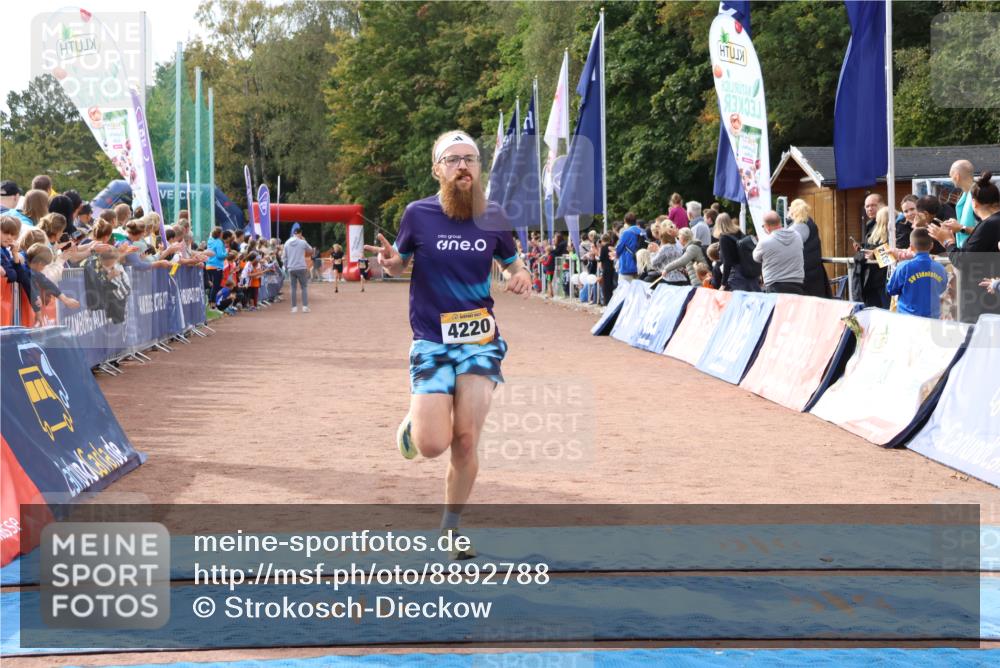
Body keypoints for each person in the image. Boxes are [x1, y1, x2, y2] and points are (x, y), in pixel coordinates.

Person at [364, 130, 531, 559]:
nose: (463, 166)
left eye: (470, 159)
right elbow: (400, 263)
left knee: (466, 441)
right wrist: (390, 263)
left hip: (479, 340)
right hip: (432, 341)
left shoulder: (493, 215)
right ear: (437, 169)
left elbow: (514, 263)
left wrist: (521, 275)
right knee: (432, 445)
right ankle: (415, 422)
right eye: (453, 159)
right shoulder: (418, 214)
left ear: (478, 168)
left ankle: (451, 527)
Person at [928, 172, 1000, 323]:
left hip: (983, 302)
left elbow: (963, 261)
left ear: (974, 203)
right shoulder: (991, 223)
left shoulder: (988, 225)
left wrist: (947, 241)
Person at [886, 228, 948, 319]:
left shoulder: (904, 267)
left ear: (911, 247)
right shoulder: (941, 268)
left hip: (908, 319)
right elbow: (942, 289)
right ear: (931, 246)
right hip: (933, 320)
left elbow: (891, 289)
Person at [754, 211, 805, 294]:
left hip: (775, 286)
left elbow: (755, 257)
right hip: (797, 284)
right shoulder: (797, 236)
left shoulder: (765, 241)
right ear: (780, 222)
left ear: (767, 226)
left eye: (763, 226)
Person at [787, 199, 830, 298]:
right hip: (812, 271)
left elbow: (788, 245)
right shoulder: (808, 223)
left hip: (806, 273)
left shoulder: (799, 226)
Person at [852, 196, 890, 308]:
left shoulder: (891, 223)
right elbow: (873, 245)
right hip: (870, 278)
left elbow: (892, 248)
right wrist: (862, 247)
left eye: (873, 205)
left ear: (882, 205)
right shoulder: (870, 225)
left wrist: (875, 254)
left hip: (884, 277)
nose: (870, 209)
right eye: (867, 206)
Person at [26, 244, 80, 318]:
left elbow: (47, 282)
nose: (43, 269)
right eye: (44, 266)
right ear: (40, 264)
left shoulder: (33, 272)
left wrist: (65, 299)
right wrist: (38, 312)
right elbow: (44, 282)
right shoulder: (28, 272)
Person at [714, 213, 759, 292]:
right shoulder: (739, 232)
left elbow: (727, 262)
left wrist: (723, 284)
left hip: (736, 274)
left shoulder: (724, 238)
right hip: (749, 270)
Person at [284, 223, 313, 313]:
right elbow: (311, 250)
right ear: (300, 234)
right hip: (301, 267)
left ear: (293, 233)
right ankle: (304, 307)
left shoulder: (287, 243)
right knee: (304, 287)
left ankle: (294, 308)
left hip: (291, 268)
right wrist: (304, 240)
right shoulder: (302, 242)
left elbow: (284, 257)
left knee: (293, 288)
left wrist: (286, 266)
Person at [615, 218, 645, 282]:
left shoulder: (626, 232)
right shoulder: (643, 231)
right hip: (640, 264)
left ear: (625, 222)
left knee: (625, 289)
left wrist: (616, 254)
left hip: (627, 265)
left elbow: (619, 247)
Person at [598, 232, 616, 305]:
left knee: (606, 285)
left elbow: (601, 258)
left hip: (606, 267)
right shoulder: (612, 246)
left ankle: (607, 302)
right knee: (612, 284)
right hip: (613, 267)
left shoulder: (604, 248)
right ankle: (611, 300)